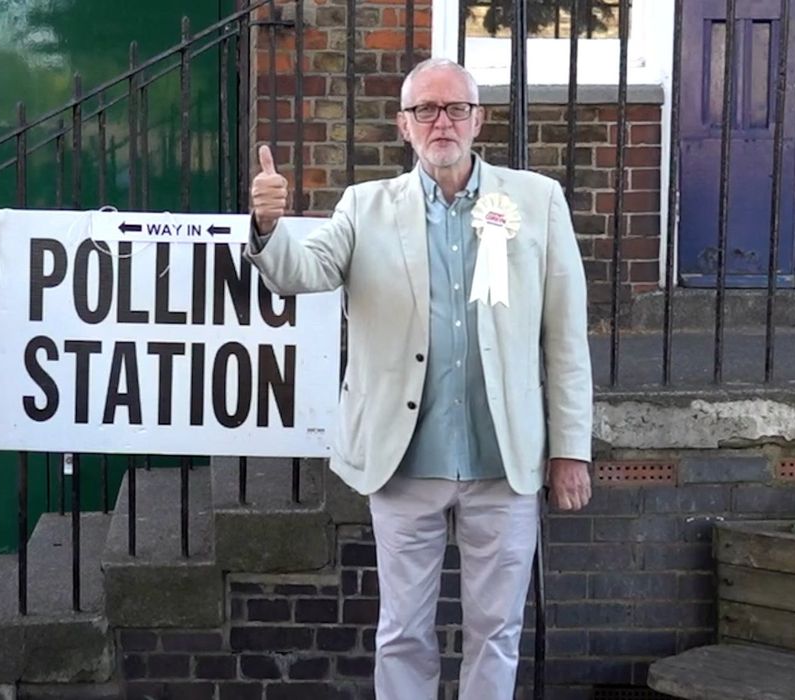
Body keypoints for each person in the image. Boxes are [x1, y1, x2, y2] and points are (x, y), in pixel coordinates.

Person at [247, 57, 593, 699]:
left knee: (497, 631)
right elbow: (305, 272)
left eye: (455, 107)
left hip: (504, 462)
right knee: (403, 631)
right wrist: (270, 227)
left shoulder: (536, 201)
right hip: (405, 463)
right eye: (425, 110)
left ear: (478, 119)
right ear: (403, 126)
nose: (442, 121)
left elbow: (565, 337)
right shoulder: (365, 207)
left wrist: (571, 448)